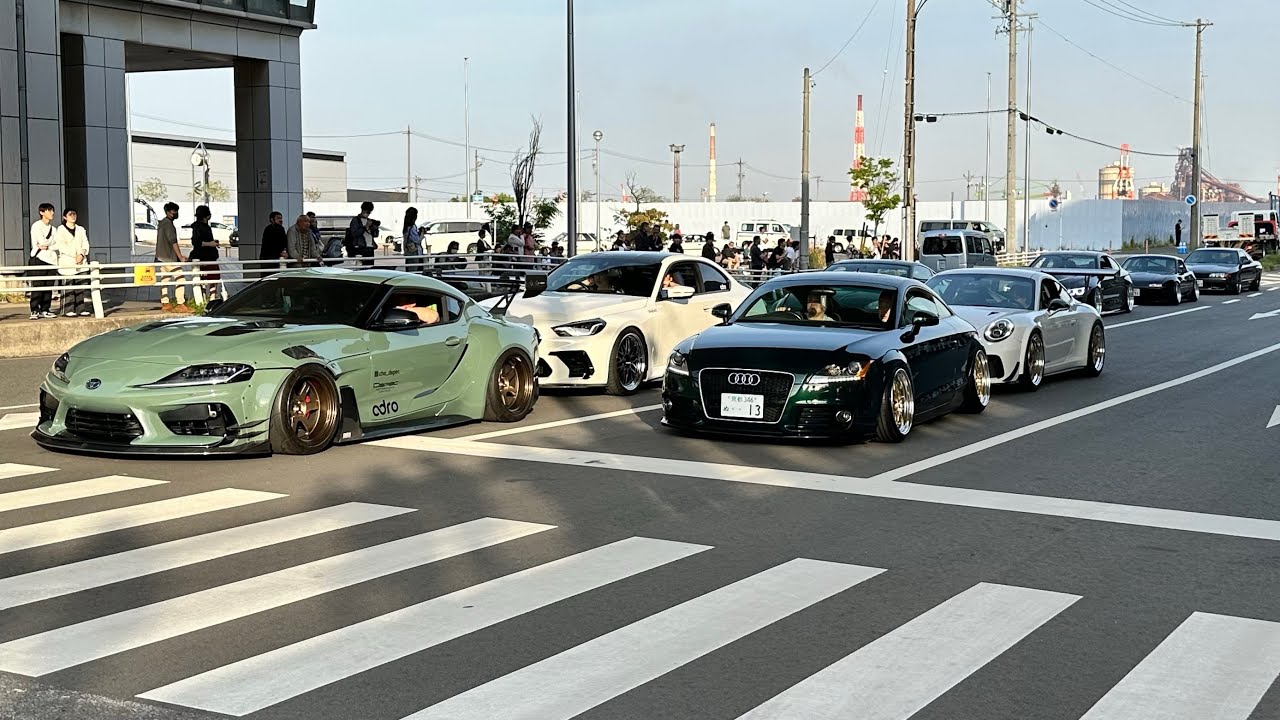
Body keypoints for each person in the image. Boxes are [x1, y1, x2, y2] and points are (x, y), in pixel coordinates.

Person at [54, 209, 91, 316]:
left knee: (80, 287)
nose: (73, 216)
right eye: (70, 214)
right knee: (68, 287)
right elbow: (62, 246)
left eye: (74, 214)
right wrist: (75, 256)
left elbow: (85, 243)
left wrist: (82, 254)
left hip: (81, 262)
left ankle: (80, 309)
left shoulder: (81, 229)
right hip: (68, 261)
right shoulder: (60, 230)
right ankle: (67, 310)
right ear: (65, 217)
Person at [27, 202, 58, 320]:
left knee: (48, 287)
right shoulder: (36, 226)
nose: (52, 213)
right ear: (42, 212)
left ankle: (45, 309)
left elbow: (56, 244)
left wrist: (48, 245)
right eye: (49, 210)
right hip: (39, 259)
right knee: (38, 286)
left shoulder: (54, 229)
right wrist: (50, 242)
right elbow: (41, 241)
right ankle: (34, 310)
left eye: (52, 210)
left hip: (51, 260)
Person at [155, 202, 186, 308]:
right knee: (180, 278)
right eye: (173, 211)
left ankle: (165, 303)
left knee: (165, 279)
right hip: (169, 258)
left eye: (176, 211)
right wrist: (180, 257)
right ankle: (180, 303)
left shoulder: (162, 223)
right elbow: (173, 242)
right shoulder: (169, 224)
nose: (175, 213)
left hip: (161, 257)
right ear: (168, 212)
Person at [189, 205, 222, 301]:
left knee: (206, 278)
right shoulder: (199, 227)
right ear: (206, 216)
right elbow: (196, 242)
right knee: (211, 278)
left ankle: (206, 298)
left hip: (205, 256)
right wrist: (211, 244)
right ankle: (211, 298)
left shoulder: (201, 226)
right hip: (205, 257)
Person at [346, 201, 375, 265]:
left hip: (370, 247)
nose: (368, 214)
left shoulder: (369, 220)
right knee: (361, 268)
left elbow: (374, 235)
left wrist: (374, 228)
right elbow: (355, 234)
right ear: (363, 210)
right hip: (360, 247)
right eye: (367, 212)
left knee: (370, 268)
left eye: (369, 212)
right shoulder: (356, 221)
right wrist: (365, 227)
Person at [402, 207, 423, 272]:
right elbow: (417, 240)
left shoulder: (406, 227)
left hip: (408, 251)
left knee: (409, 271)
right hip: (414, 252)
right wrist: (422, 233)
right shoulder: (412, 227)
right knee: (415, 271)